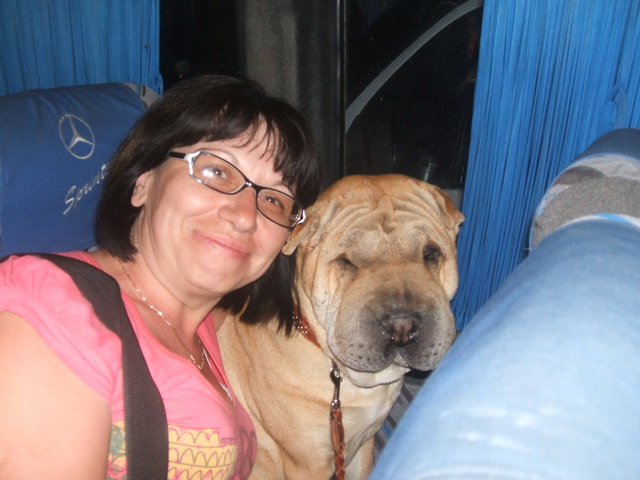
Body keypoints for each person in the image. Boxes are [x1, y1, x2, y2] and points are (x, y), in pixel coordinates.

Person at [0, 74, 321, 479]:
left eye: (274, 199)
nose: (244, 216)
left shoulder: (203, 321)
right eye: (218, 172)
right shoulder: (48, 317)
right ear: (143, 183)